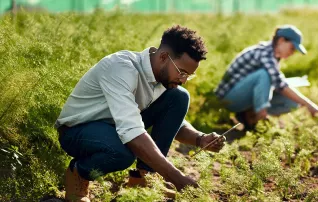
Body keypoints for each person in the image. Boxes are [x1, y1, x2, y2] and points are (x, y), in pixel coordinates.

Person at [55, 25, 226, 202]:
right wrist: (176, 177)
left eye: (188, 75)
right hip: (78, 130)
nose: (183, 80)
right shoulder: (121, 68)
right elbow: (132, 132)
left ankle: (143, 178)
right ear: (164, 57)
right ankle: (78, 173)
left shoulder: (162, 78)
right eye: (182, 72)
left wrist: (200, 139)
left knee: (179, 97)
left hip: (114, 126)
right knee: (122, 154)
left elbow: (172, 124)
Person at [215, 24, 318, 130]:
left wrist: (304, 103)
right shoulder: (265, 53)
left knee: (292, 102)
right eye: (292, 48)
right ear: (281, 41)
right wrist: (309, 105)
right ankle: (261, 118)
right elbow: (280, 85)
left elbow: (278, 83)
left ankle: (249, 117)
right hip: (228, 99)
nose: (292, 53)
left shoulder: (273, 56)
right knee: (263, 74)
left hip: (243, 96)